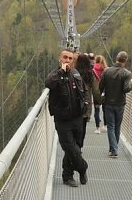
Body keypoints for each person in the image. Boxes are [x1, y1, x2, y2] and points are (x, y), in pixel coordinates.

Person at [45, 49, 89, 187]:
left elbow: (84, 90)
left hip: (78, 118)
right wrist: (61, 72)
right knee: (70, 148)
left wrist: (86, 104)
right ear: (60, 59)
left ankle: (67, 176)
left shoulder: (76, 73)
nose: (67, 60)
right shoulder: (55, 74)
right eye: (65, 57)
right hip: (62, 119)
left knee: (77, 147)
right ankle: (83, 168)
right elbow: (48, 83)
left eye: (70, 58)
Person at [101, 51, 132, 158]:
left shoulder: (106, 71)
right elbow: (126, 89)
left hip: (108, 102)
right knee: (117, 127)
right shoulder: (127, 73)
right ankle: (114, 149)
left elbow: (101, 86)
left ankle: (113, 149)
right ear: (126, 61)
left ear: (116, 58)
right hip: (120, 103)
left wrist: (102, 96)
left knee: (111, 126)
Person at [74, 53, 98, 149]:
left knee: (73, 124)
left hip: (74, 102)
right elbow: (95, 90)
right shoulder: (90, 74)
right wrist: (98, 101)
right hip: (86, 103)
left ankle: (74, 145)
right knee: (83, 126)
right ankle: (79, 146)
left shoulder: (73, 72)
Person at [92, 54, 108, 134]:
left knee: (97, 110)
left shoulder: (93, 70)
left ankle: (97, 129)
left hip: (96, 92)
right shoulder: (106, 70)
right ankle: (105, 126)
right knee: (105, 110)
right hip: (105, 91)